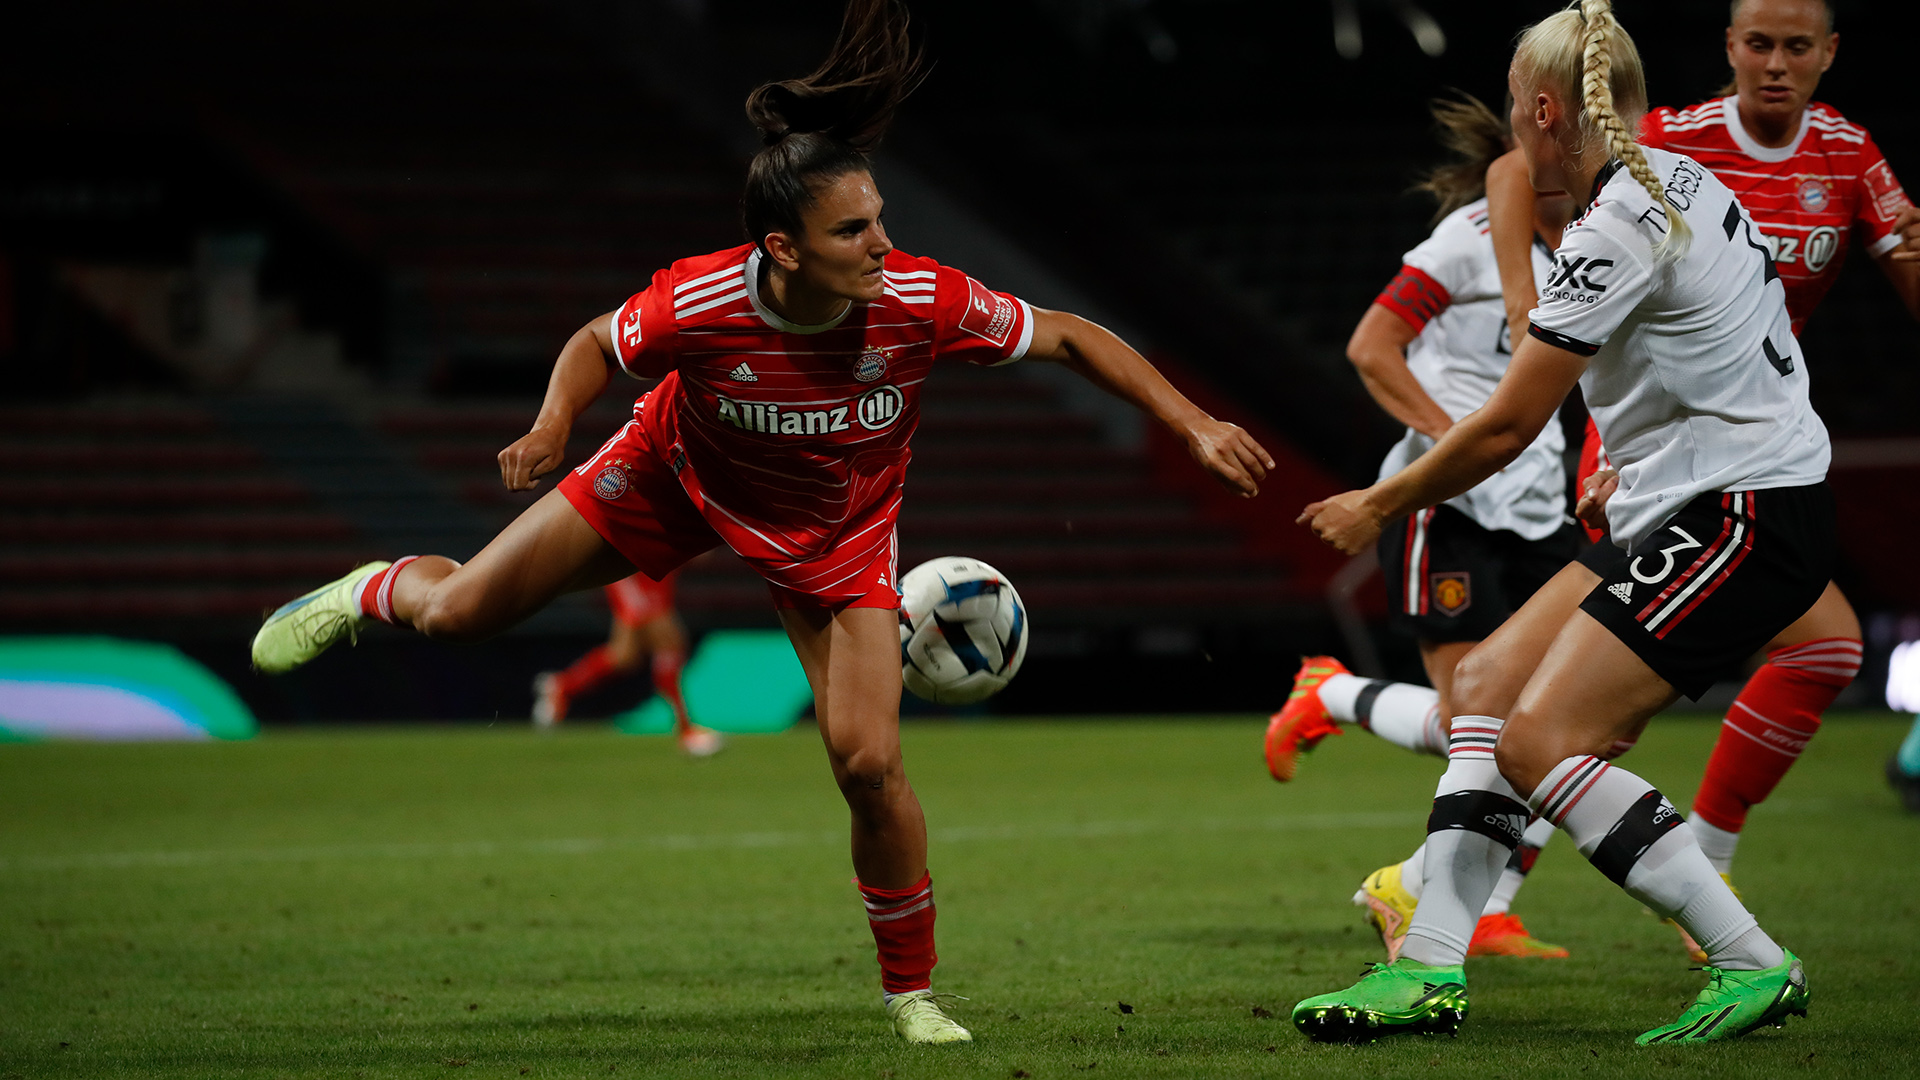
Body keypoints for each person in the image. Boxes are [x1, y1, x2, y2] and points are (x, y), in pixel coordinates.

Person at [247, 0, 1273, 1045]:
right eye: (852, 230)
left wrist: (1191, 422)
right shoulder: (704, 303)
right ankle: (366, 588)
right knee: (461, 611)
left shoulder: (922, 297)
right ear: (782, 248)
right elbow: (599, 341)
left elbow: (1062, 337)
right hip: (672, 477)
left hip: (836, 538)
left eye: (879, 218)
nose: (882, 243)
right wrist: (556, 422)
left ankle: (910, 992)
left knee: (868, 763)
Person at [1293, 0, 1827, 1044]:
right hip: (1697, 499)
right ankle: (1429, 967)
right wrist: (1629, 459)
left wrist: (1380, 501)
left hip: (1740, 513)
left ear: (1542, 110)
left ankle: (1751, 958)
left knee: (1540, 741)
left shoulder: (1611, 232)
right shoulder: (1673, 179)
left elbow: (1504, 427)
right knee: (1488, 685)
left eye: (1509, 107)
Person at [1475, 0, 1917, 959]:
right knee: (1551, 713)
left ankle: (1456, 889)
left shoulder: (1848, 157)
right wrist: (1524, 298)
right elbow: (1517, 170)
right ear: (1728, 47)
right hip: (1658, 462)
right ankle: (1705, 897)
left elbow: (1909, 264)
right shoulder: (1666, 139)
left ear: (1831, 53)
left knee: (1545, 706)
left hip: (1739, 448)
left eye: (1797, 47)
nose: (1774, 64)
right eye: (1757, 43)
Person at [1263, 94, 1579, 960]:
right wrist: (1454, 443)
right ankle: (1331, 698)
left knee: (1564, 717)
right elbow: (1372, 346)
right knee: (1480, 722)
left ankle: (1489, 899)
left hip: (1542, 500)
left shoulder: (1591, 238)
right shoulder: (1464, 242)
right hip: (1451, 507)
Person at [531, 569, 724, 757]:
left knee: (625, 656)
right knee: (667, 642)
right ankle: (686, 731)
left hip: (655, 565)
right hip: (634, 567)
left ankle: (562, 686)